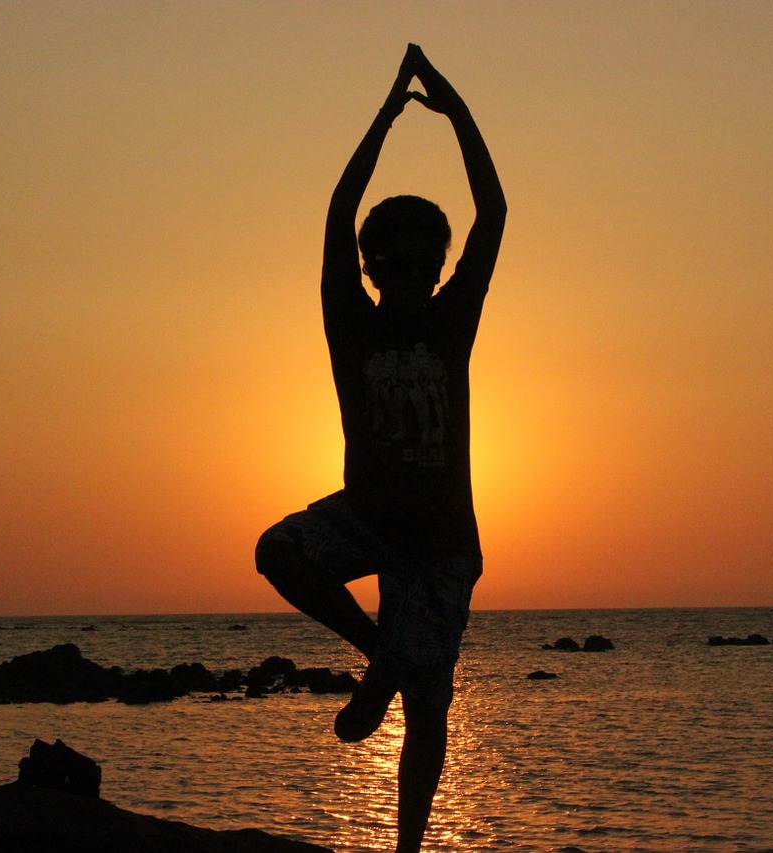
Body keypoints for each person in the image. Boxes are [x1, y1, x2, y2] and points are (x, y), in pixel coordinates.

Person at [255, 43, 505, 853]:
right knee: (278, 550)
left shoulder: (449, 318)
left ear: (437, 267)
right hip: (364, 516)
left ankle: (406, 849)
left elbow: (494, 210)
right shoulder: (349, 320)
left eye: (419, 261)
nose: (403, 270)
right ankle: (381, 654)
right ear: (368, 265)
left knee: (431, 705)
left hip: (440, 544)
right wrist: (391, 109)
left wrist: (453, 107)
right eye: (388, 259)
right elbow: (337, 205)